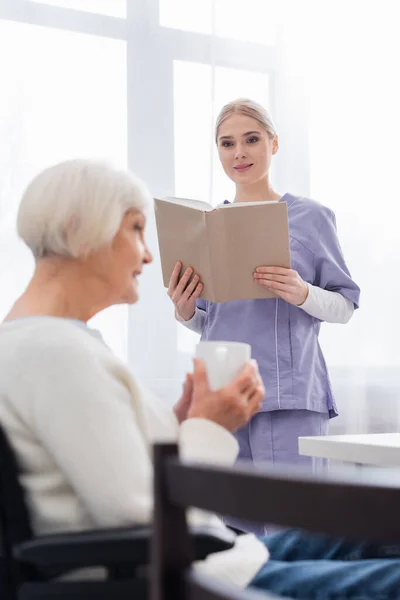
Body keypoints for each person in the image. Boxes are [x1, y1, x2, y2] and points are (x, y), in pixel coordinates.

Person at [0, 160, 397, 600]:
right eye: (135, 230)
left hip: (221, 557)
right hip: (200, 572)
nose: (148, 255)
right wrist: (208, 426)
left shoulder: (37, 344)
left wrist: (181, 422)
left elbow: (116, 473)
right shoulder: (57, 354)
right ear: (78, 232)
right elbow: (144, 515)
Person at [168, 98, 361, 533]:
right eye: (227, 143)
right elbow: (212, 318)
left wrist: (301, 291)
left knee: (293, 530)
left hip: (288, 395)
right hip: (223, 395)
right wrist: (184, 310)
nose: (240, 153)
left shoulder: (311, 218)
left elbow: (345, 305)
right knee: (232, 534)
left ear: (273, 144)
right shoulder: (207, 226)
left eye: (251, 139)